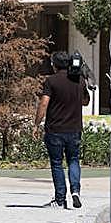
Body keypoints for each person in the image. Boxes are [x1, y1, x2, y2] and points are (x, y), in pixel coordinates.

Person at [34, 51, 88, 209]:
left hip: (55, 129)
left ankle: (60, 199)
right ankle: (75, 191)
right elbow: (85, 101)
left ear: (54, 65)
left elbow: (44, 103)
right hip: (74, 128)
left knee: (57, 163)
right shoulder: (79, 80)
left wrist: (36, 123)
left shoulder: (51, 81)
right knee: (73, 160)